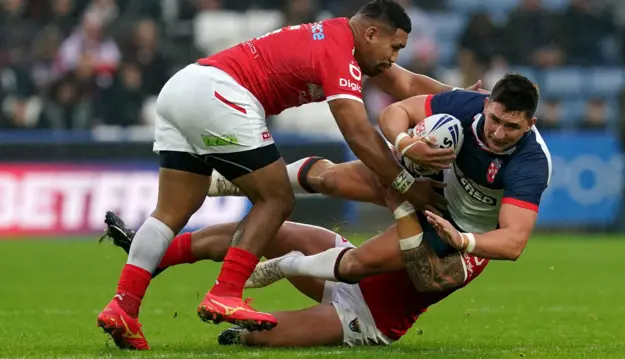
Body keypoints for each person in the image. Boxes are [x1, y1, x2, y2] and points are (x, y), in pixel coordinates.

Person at [96, 0, 479, 350]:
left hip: (184, 87)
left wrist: (468, 100)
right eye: (394, 48)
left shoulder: (340, 41)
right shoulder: (339, 52)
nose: (394, 58)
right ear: (371, 33)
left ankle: (123, 305)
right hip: (223, 93)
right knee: (276, 198)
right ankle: (226, 292)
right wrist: (406, 185)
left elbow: (406, 84)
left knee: (171, 212)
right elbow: (359, 134)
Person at [209, 73, 552, 292]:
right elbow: (395, 112)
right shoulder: (466, 105)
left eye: (511, 127)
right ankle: (233, 182)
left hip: (450, 220)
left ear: (529, 123)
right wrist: (406, 143)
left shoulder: (531, 163)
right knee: (329, 178)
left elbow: (513, 243)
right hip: (427, 175)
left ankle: (287, 265)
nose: (498, 132)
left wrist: (461, 238)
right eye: (494, 119)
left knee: (361, 263)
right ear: (487, 104)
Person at [99, 181, 489, 348]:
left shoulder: (480, 244)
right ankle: (155, 253)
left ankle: (251, 331)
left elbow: (367, 263)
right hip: (346, 264)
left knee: (248, 335)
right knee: (269, 226)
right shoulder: (445, 190)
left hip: (368, 316)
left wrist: (287, 267)